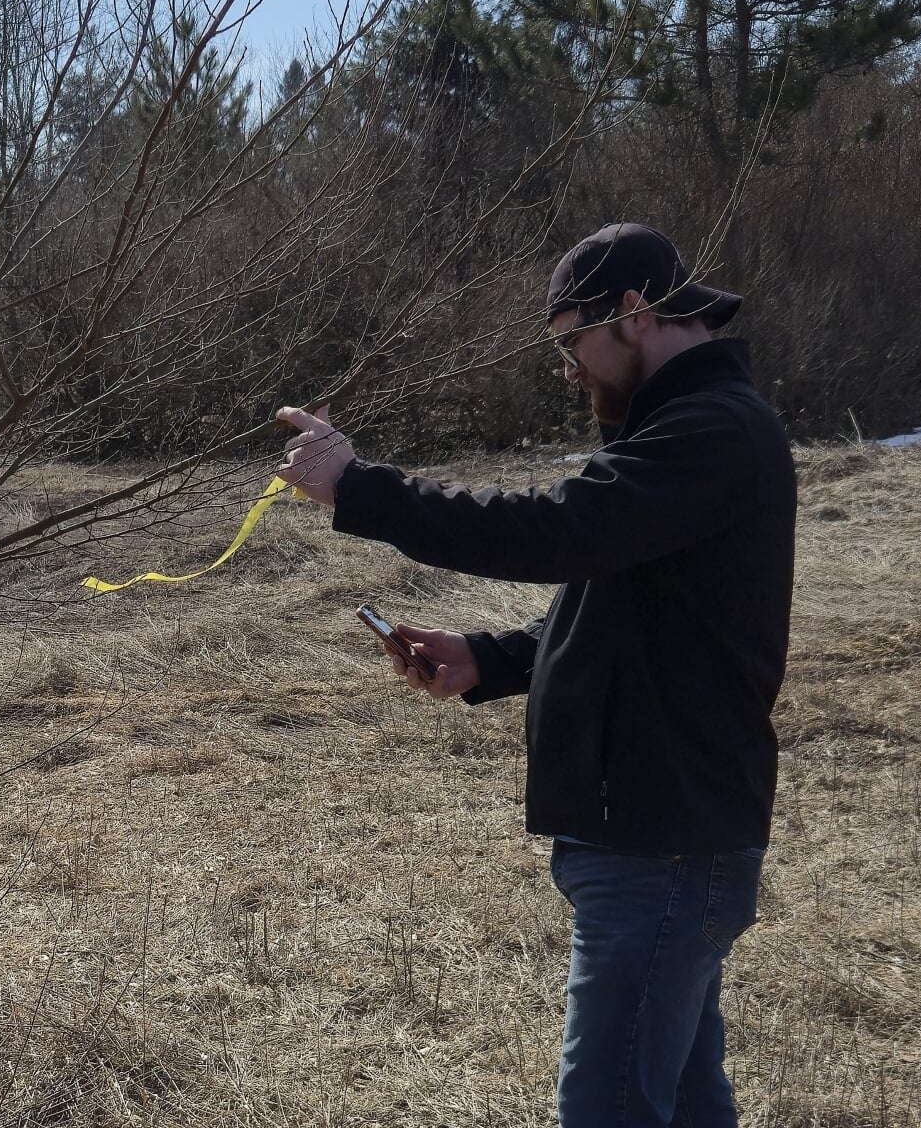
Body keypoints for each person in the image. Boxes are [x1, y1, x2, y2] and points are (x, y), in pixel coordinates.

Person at [276, 222, 796, 1128]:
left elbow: (556, 531)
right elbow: (625, 601)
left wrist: (361, 488)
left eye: (571, 341)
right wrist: (491, 657)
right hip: (657, 835)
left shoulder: (711, 430)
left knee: (611, 1110)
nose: (568, 368)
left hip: (663, 841)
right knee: (679, 1103)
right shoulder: (685, 427)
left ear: (633, 311)